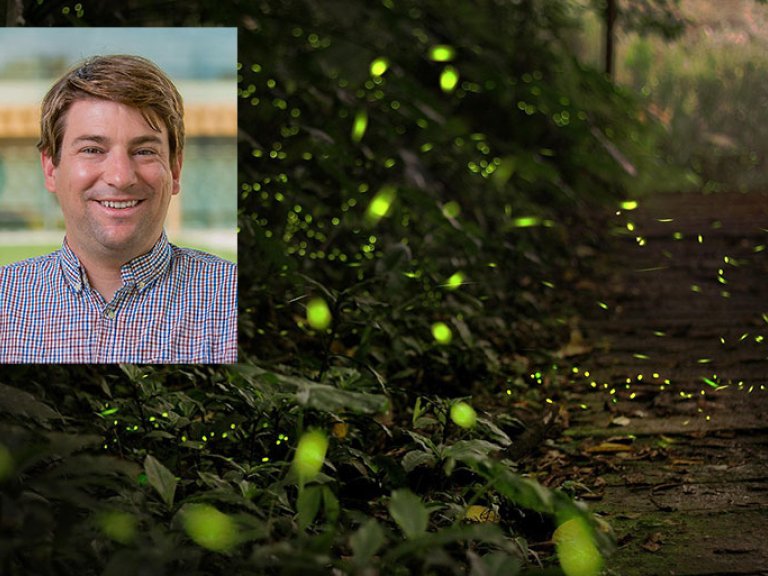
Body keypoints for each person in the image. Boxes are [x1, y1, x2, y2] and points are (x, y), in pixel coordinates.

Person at [0, 55, 237, 363]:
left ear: (175, 170)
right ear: (50, 169)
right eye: (92, 150)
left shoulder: (234, 302)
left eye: (144, 151)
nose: (121, 177)